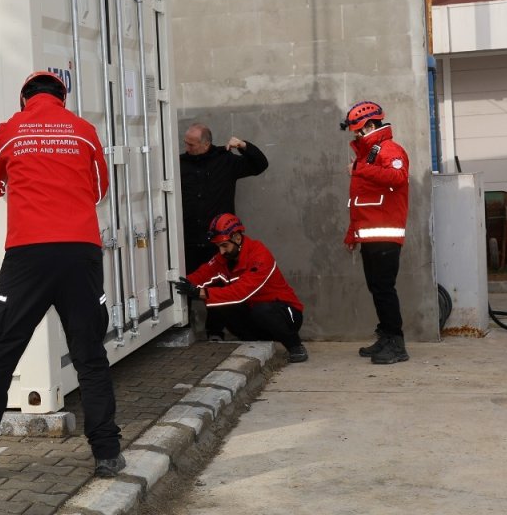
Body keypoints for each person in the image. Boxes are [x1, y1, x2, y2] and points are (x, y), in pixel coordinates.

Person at [0, 71, 124, 480]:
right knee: (90, 357)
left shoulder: (11, 131)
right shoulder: (83, 131)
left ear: (24, 98)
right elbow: (98, 189)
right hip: (80, 252)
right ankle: (108, 455)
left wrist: (17, 183)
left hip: (28, 255)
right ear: (61, 97)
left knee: (0, 355)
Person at [175, 213, 308, 363]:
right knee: (223, 304)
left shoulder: (260, 255)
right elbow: (203, 273)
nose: (221, 252)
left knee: (260, 309)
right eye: (218, 247)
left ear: (237, 238)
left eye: (224, 246)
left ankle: (295, 346)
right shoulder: (224, 258)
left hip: (286, 314)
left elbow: (241, 293)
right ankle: (253, 343)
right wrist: (181, 284)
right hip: (256, 314)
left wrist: (200, 293)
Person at [179, 123, 268, 338]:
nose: (187, 147)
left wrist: (243, 146)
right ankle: (183, 326)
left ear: (206, 143)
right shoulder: (180, 164)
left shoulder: (225, 161)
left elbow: (259, 165)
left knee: (220, 284)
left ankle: (215, 331)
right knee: (187, 283)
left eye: (191, 144)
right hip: (188, 238)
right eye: (186, 143)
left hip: (219, 241)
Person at [341, 100, 410, 365]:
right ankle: (386, 336)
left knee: (383, 288)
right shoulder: (369, 153)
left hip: (385, 235)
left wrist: (360, 169)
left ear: (370, 125)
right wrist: (352, 234)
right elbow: (361, 200)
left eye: (358, 130)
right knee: (377, 288)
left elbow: (398, 177)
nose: (356, 136)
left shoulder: (388, 150)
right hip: (370, 234)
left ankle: (396, 343)